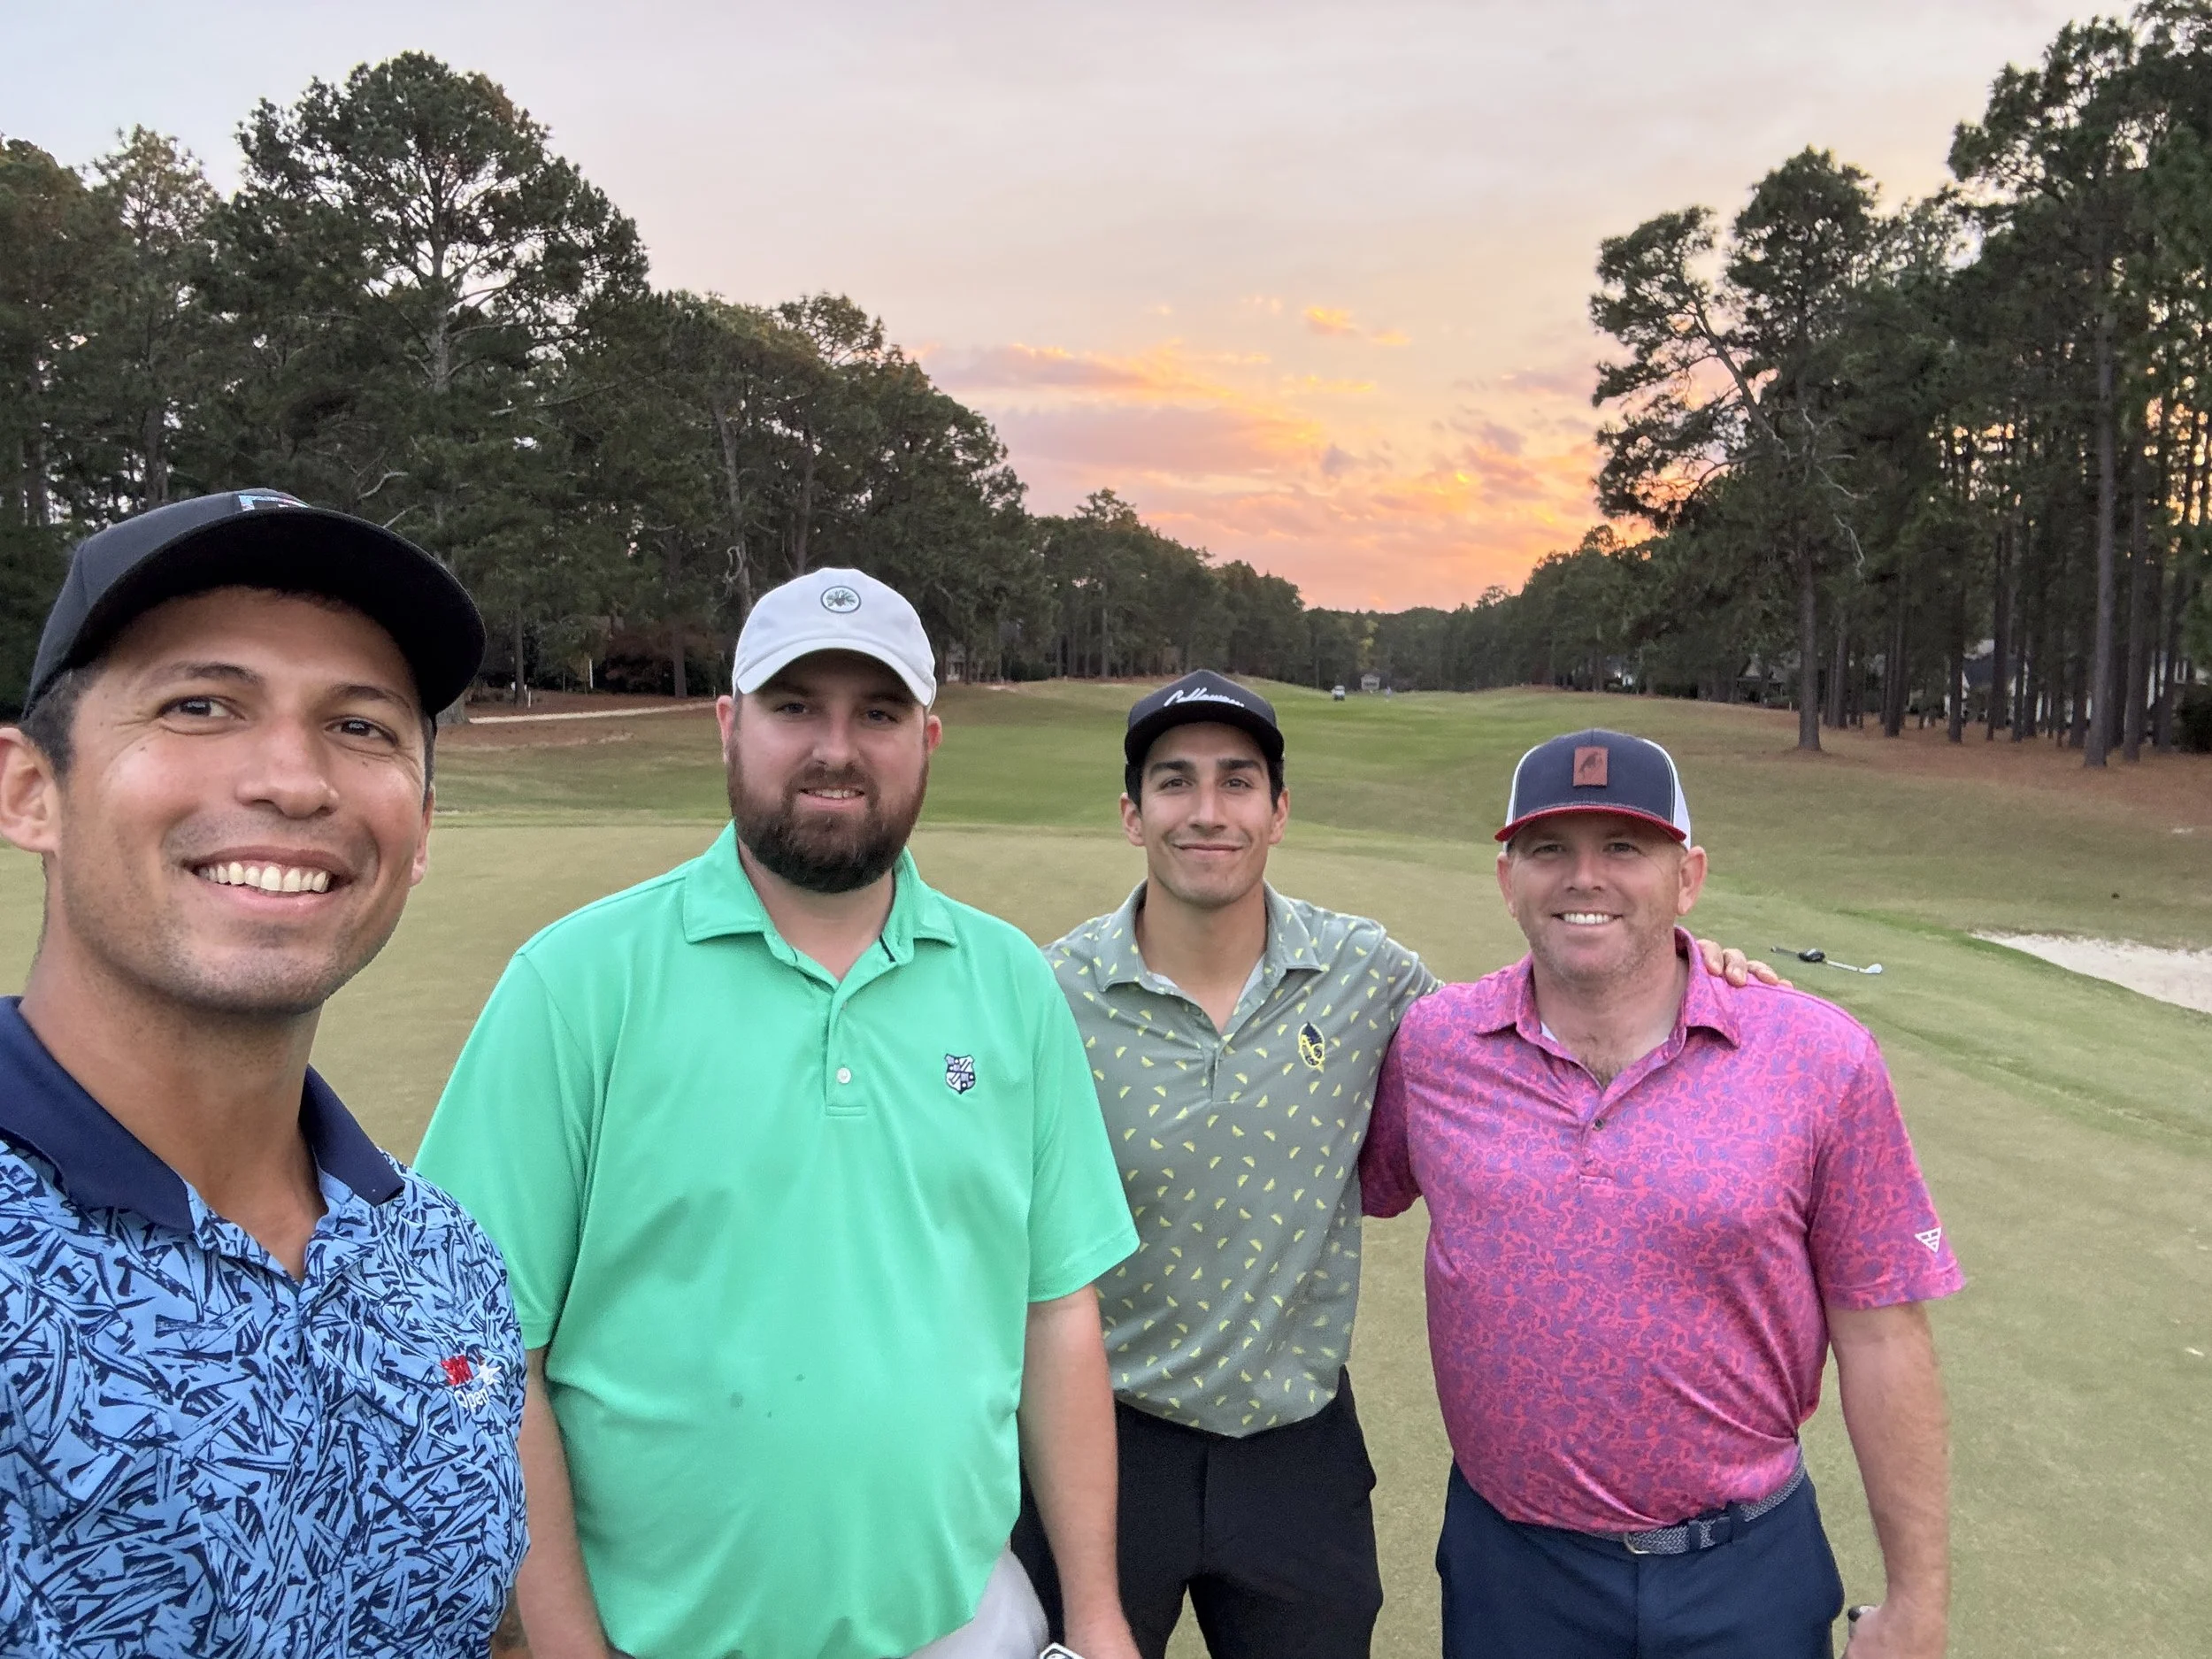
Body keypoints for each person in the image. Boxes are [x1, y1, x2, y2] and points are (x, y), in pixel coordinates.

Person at [413, 567, 1143, 1659]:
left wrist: (1094, 1619)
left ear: (927, 739)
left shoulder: (1008, 983)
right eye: (794, 706)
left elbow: (1056, 1316)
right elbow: (479, 1352)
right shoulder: (577, 984)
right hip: (658, 1635)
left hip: (965, 1625)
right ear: (728, 723)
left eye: (877, 713)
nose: (835, 748)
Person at [1013, 680, 1778, 1659]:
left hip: (1298, 1453)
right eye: (1175, 783)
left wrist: (1675, 962)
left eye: (1238, 782)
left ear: (1277, 811)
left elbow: (1514, 1029)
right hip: (1102, 1446)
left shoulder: (1364, 972)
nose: (1207, 811)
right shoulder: (1044, 991)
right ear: (1132, 814)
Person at [0, 488, 524, 1657]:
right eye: (200, 704)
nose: (294, 779)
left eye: (361, 726)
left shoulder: (443, 1261)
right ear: (31, 789)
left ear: (423, 829)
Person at [1362, 728, 1962, 1659]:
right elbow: (1343, 1187)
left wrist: (1917, 1601)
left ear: (1688, 879)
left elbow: (1883, 1333)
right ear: (1507, 878)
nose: (1583, 879)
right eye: (1548, 849)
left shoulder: (1816, 1055)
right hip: (1511, 1571)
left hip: (1746, 1571)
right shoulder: (1436, 1046)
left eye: (1625, 849)